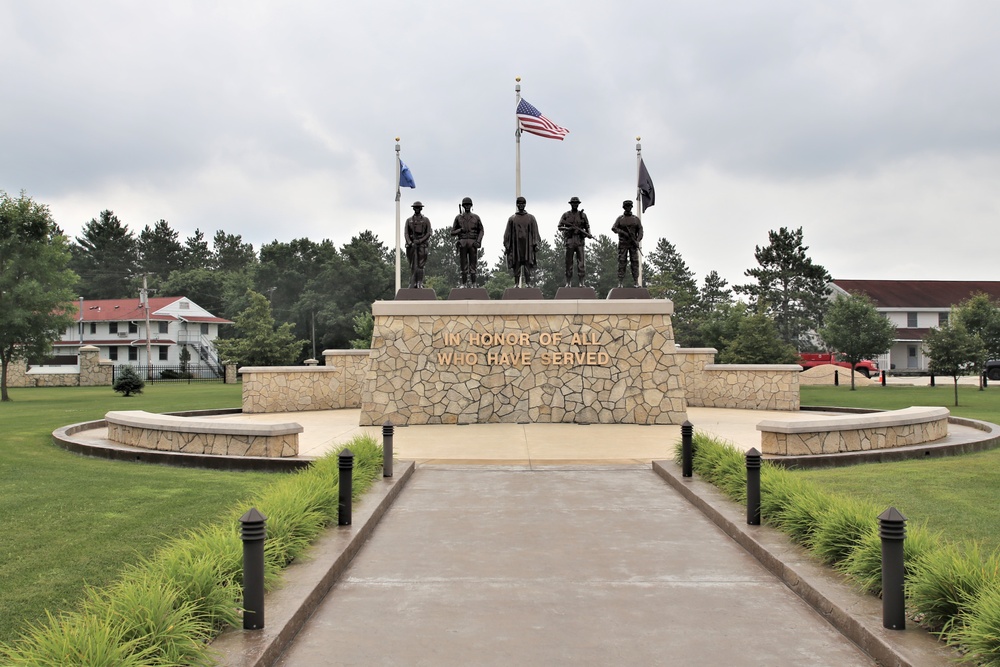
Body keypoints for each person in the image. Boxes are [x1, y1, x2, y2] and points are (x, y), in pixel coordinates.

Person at [503, 196, 541, 286]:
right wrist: (507, 245)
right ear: (517, 205)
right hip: (516, 245)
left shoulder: (531, 218)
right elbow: (507, 233)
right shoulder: (512, 219)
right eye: (519, 203)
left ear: (525, 204)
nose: (521, 205)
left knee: (528, 264)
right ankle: (516, 283)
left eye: (523, 203)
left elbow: (535, 232)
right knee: (517, 264)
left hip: (528, 245)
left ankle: (528, 283)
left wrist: (536, 244)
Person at [557, 196, 592, 287]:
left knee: (581, 262)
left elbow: (587, 226)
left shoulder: (583, 215)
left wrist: (589, 234)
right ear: (571, 204)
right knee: (569, 262)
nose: (575, 205)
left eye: (576, 203)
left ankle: (581, 282)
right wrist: (568, 228)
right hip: (570, 240)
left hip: (580, 240)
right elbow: (559, 226)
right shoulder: (566, 215)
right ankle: (568, 282)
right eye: (573, 203)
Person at [451, 197, 484, 288]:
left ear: (471, 206)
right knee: (463, 264)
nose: (467, 207)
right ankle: (464, 283)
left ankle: (474, 283)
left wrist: (478, 241)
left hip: (473, 242)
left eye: (468, 205)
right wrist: (460, 230)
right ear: (463, 206)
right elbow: (452, 232)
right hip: (463, 242)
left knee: (473, 264)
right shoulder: (458, 218)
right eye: (465, 205)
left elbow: (481, 230)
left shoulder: (476, 217)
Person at [611, 200, 643, 287]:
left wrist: (637, 240)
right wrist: (622, 232)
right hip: (623, 243)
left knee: (635, 262)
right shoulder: (620, 219)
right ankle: (620, 282)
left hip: (632, 244)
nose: (628, 208)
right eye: (626, 206)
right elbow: (614, 228)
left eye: (629, 206)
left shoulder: (636, 219)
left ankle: (636, 281)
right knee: (622, 262)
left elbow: (640, 231)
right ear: (624, 207)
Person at [404, 201, 432, 288]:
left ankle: (420, 282)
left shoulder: (426, 220)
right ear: (413, 208)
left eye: (418, 207)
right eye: (415, 207)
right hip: (412, 245)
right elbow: (406, 233)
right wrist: (410, 242)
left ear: (421, 208)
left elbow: (428, 233)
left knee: (421, 265)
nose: (417, 209)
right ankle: (413, 282)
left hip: (422, 244)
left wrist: (420, 241)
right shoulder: (409, 220)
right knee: (412, 264)